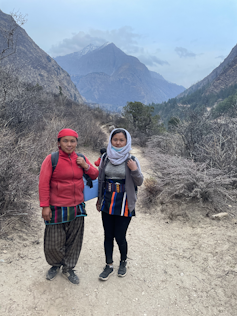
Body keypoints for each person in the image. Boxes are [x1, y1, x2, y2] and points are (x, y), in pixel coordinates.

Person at [39, 128, 99, 284]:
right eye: (65, 141)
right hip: (56, 207)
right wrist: (45, 206)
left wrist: (85, 165)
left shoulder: (80, 157)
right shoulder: (51, 159)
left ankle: (68, 268)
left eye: (72, 141)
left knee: (74, 239)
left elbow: (94, 174)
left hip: (77, 205)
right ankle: (55, 265)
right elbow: (43, 184)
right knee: (53, 241)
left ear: (77, 143)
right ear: (59, 143)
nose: (69, 144)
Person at [96, 128, 143, 281]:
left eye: (121, 140)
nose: (117, 142)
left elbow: (140, 181)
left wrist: (134, 170)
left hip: (125, 202)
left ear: (126, 142)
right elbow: (101, 180)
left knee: (120, 236)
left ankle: (123, 261)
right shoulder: (105, 158)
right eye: (115, 139)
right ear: (110, 140)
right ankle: (109, 264)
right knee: (108, 235)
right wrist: (99, 199)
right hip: (108, 201)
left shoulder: (131, 160)